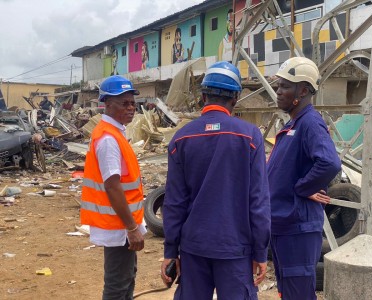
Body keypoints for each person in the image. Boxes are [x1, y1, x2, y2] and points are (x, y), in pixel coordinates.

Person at [161, 61, 271, 300]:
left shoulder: (181, 138)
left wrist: (171, 250)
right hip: (235, 249)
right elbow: (258, 201)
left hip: (193, 248)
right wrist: (260, 252)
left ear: (203, 96)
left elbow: (174, 201)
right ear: (235, 98)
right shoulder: (249, 137)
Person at [266, 57, 341, 299]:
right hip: (283, 225)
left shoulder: (310, 123)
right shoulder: (292, 125)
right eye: (278, 86)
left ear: (304, 90)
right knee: (287, 293)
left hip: (297, 228)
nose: (278, 92)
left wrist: (302, 187)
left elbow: (329, 163)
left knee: (297, 294)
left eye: (285, 86)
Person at [80, 75, 146, 300]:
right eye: (124, 103)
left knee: (126, 278)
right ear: (107, 104)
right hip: (119, 226)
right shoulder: (108, 138)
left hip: (122, 224)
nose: (131, 108)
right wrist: (131, 228)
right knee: (118, 286)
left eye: (132, 103)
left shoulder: (116, 133)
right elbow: (112, 185)